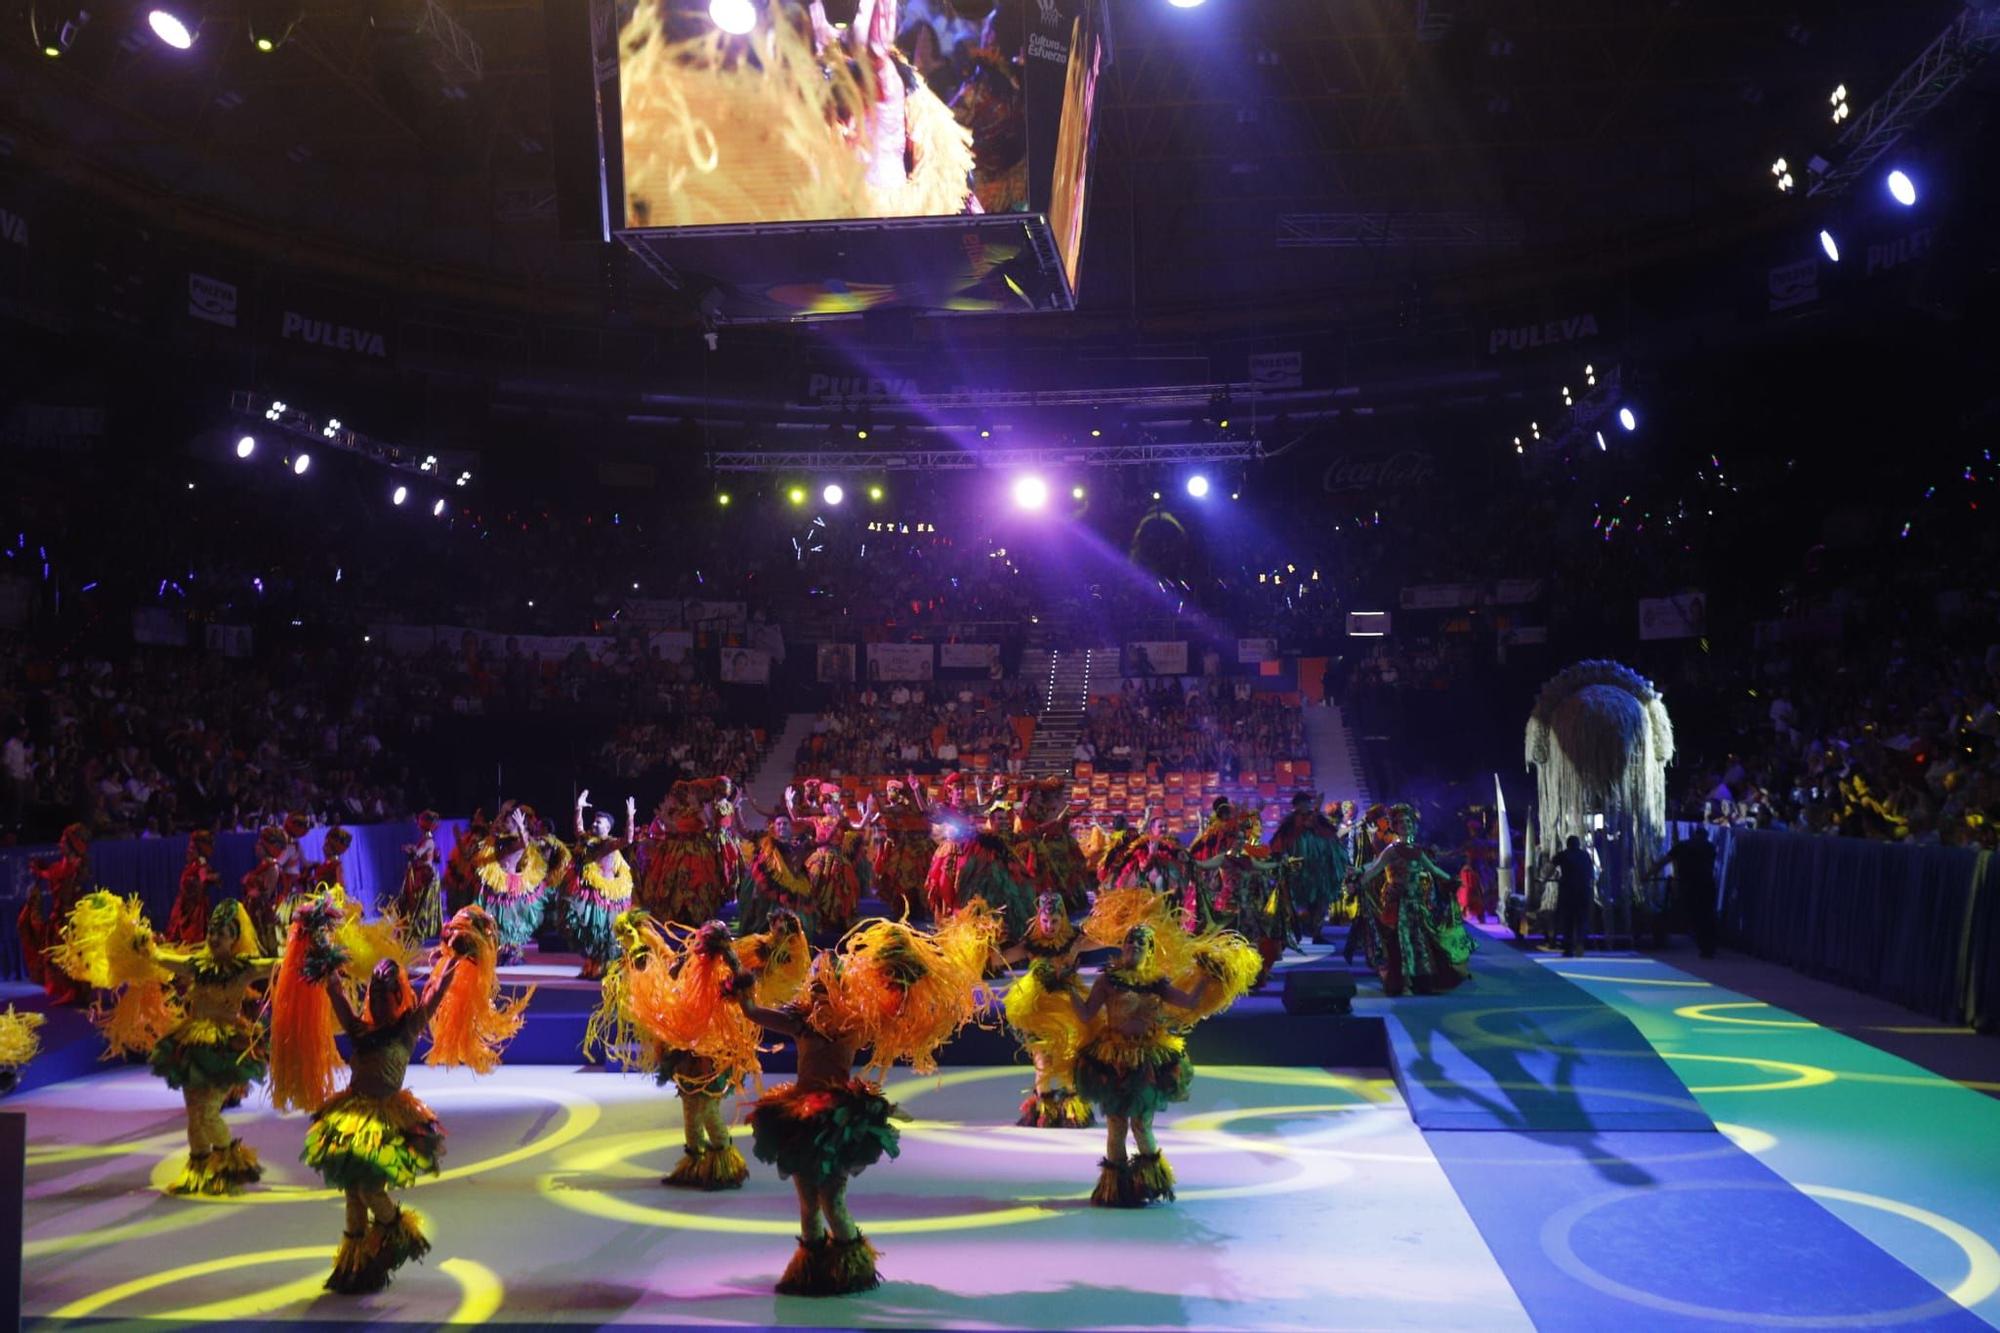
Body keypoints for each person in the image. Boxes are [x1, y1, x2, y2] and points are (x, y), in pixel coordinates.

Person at [735, 912, 993, 1296]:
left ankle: (852, 1266)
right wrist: (741, 984)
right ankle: (811, 1268)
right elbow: (753, 1012)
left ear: (840, 985)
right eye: (816, 982)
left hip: (837, 1118)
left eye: (828, 981)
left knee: (833, 1200)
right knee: (808, 1204)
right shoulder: (799, 1020)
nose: (821, 987)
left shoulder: (856, 1022)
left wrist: (906, 976)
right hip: (799, 1117)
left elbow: (897, 1011)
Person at [53, 894, 273, 1194]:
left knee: (208, 1112)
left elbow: (278, 965)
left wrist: (306, 951)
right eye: (211, 931)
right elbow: (160, 959)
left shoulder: (245, 969)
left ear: (234, 938)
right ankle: (198, 1172)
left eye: (221, 934)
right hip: (191, 1045)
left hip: (226, 1048)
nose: (214, 938)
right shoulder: (196, 965)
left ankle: (228, 1167)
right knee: (195, 1113)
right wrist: (140, 944)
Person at [1071, 921, 1258, 1207]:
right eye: (1128, 943)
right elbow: (1086, 1014)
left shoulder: (1157, 982)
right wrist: (1065, 988)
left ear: (1150, 951)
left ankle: (1150, 1181)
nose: (1133, 948)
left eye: (1140, 944)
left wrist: (1208, 975)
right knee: (1116, 1125)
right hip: (1113, 1059)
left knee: (1141, 1125)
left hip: (1146, 1060)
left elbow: (1190, 1002)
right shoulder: (1107, 981)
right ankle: (1115, 1187)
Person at [1001, 891, 1093, 1128]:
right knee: (1042, 1060)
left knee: (1069, 1055)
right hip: (1039, 1007)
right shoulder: (1031, 944)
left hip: (1068, 1006)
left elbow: (1110, 940)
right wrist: (977, 943)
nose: (1049, 926)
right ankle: (1044, 1107)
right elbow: (998, 959)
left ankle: (1073, 1107)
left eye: (1054, 921)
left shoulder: (1075, 940)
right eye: (1045, 921)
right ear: (1038, 918)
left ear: (1062, 918)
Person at [567, 790, 638, 980]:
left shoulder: (609, 844)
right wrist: (578, 807)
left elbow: (628, 840)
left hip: (606, 896)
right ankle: (592, 964)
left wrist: (630, 817)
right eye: (595, 820)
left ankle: (606, 966)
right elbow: (578, 828)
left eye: (599, 822)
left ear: (607, 828)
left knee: (604, 932)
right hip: (590, 893)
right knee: (589, 930)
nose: (595, 823)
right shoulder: (587, 840)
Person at [20, 824, 91, 1005]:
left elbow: (61, 879)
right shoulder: (68, 864)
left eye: (63, 841)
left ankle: (75, 991)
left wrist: (43, 872)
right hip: (61, 914)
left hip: (70, 916)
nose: (60, 844)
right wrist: (42, 871)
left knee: (68, 952)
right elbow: (55, 873)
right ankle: (70, 990)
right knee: (58, 953)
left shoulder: (75, 866)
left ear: (71, 844)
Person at [1268, 793, 1348, 940]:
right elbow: (1280, 842)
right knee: (1302, 901)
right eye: (1302, 803)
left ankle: (1317, 932)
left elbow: (1331, 836)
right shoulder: (1291, 822)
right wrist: (1281, 858)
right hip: (1300, 870)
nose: (1305, 806)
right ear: (1296, 806)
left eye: (1307, 803)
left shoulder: (1319, 819)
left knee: (1321, 900)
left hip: (1320, 870)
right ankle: (1301, 929)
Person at [1650, 828, 1720, 958]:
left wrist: (1649, 874)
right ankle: (1709, 945)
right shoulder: (1710, 847)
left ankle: (1704, 945)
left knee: (1696, 915)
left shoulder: (1682, 846)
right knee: (1707, 914)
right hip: (1707, 883)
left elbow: (1664, 861)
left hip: (1690, 884)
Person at [397, 811, 444, 944]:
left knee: (420, 904)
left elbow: (418, 854)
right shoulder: (426, 839)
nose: (418, 822)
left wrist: (410, 849)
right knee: (416, 903)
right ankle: (415, 931)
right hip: (421, 873)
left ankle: (419, 932)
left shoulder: (428, 841)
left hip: (425, 875)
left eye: (421, 820)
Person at [166, 828, 218, 945]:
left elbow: (203, 878)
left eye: (192, 848)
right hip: (185, 906)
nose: (188, 850)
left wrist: (203, 881)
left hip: (194, 910)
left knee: (191, 938)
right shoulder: (192, 864)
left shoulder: (201, 862)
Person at [1551, 834, 1596, 958]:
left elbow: (1552, 862)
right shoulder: (1585, 855)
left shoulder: (1564, 855)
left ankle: (1568, 949)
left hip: (1568, 892)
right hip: (1583, 892)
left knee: (1568, 921)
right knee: (1581, 920)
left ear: (1568, 844)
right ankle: (1580, 945)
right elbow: (1591, 873)